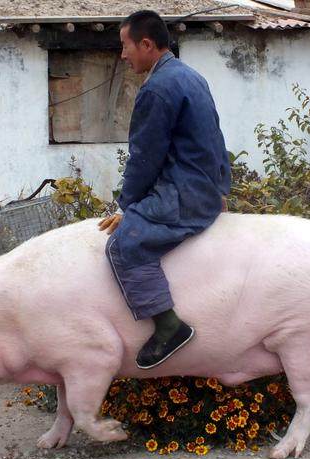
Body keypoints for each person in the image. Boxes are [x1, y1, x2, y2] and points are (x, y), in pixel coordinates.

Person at [99, 10, 231, 370]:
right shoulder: (191, 77)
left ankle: (169, 327)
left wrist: (127, 208)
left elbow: (144, 157)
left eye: (125, 46)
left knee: (124, 245)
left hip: (183, 196)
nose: (122, 55)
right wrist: (220, 188)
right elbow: (216, 140)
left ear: (146, 44)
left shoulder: (157, 90)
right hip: (203, 189)